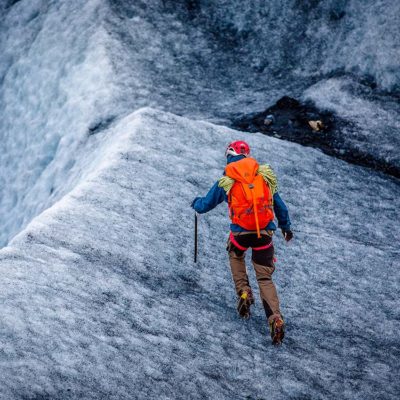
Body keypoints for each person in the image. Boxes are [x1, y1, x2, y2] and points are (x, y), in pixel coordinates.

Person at [191, 140, 293, 344]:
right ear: (247, 155)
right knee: (264, 278)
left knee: (235, 254)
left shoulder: (227, 179)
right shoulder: (264, 175)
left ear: (229, 155)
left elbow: (205, 205)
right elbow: (280, 206)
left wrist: (195, 203)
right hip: (264, 234)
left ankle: (244, 291)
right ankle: (275, 318)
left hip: (240, 234)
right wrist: (286, 227)